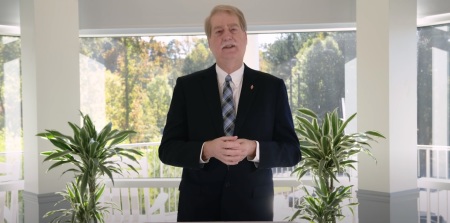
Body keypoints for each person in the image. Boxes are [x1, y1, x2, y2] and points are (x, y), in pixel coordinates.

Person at [158, 4, 301, 222]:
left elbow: (292, 152)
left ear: (244, 36)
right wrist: (206, 150)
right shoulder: (187, 87)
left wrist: (255, 149)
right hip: (198, 209)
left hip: (253, 209)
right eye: (218, 31)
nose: (227, 36)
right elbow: (167, 150)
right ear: (209, 42)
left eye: (233, 29)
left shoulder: (272, 88)